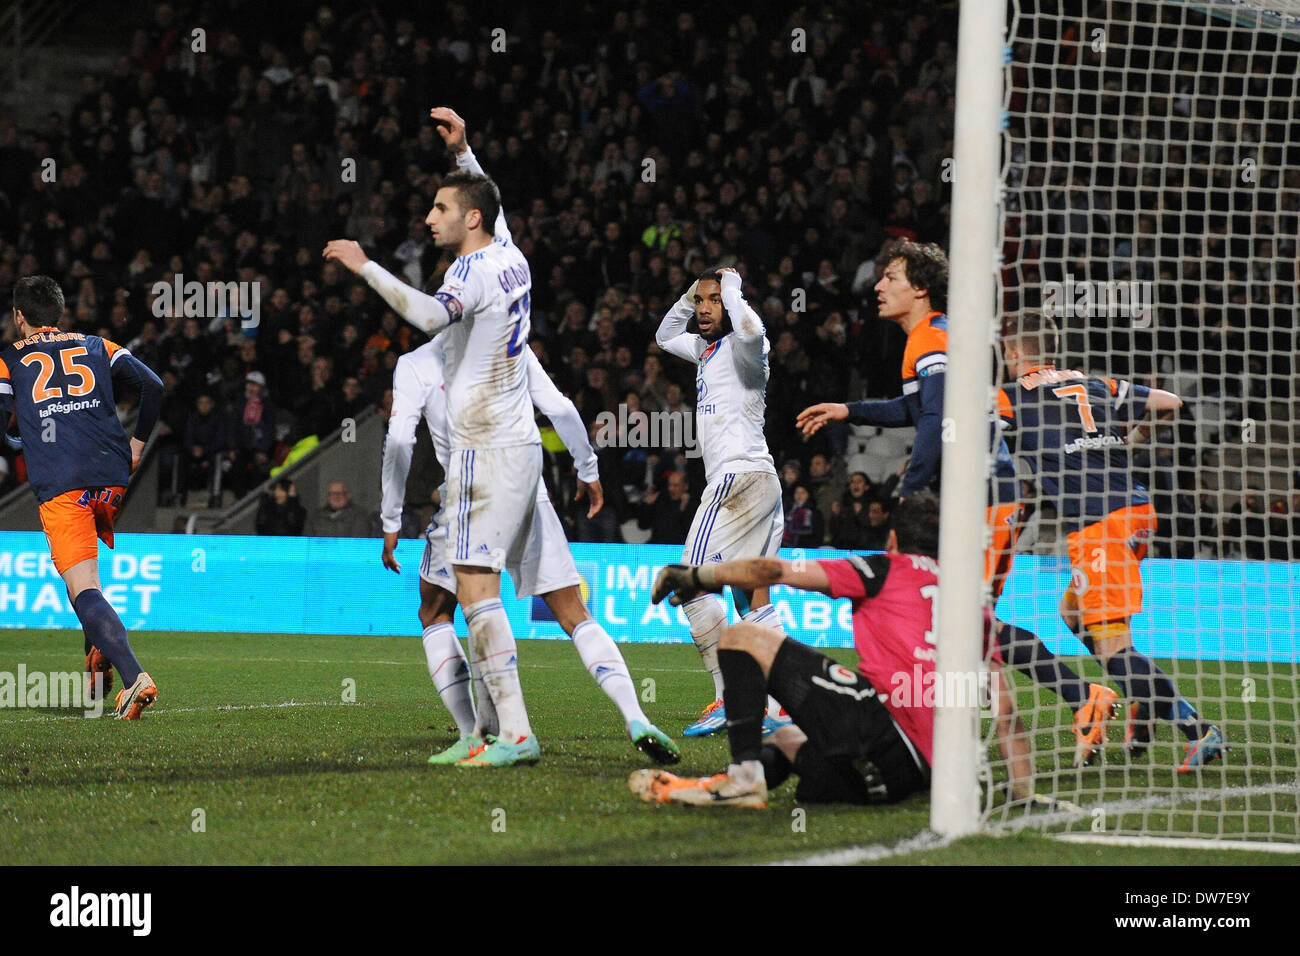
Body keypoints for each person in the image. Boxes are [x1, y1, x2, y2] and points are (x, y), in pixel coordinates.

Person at [798, 241, 1108, 765]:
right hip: (979, 498)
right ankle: (1066, 703)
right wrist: (848, 409)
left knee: (969, 622)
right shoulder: (931, 337)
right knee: (967, 621)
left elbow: (935, 421)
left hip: (988, 498)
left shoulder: (930, 338)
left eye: (890, 277)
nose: (878, 286)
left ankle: (1080, 701)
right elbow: (916, 408)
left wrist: (908, 492)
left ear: (919, 288)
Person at [324, 105, 541, 766]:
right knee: (474, 591)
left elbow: (424, 316)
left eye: (441, 208)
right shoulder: (510, 254)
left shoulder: (469, 274)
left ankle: (512, 734)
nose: (428, 219)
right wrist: (466, 152)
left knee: (468, 594)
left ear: (469, 219)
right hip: (518, 443)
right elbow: (492, 203)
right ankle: (496, 733)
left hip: (482, 449)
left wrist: (365, 267)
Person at [380, 332, 678, 765]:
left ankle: (477, 733)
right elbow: (559, 406)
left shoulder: (415, 363)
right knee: (573, 613)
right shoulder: (508, 344)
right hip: (527, 489)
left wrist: (391, 517)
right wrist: (587, 466)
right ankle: (635, 716)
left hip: (471, 495)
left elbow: (400, 441)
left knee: (439, 609)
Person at [629, 492, 1034, 808]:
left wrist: (698, 575)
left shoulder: (883, 568)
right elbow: (1006, 713)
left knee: (741, 637)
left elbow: (771, 571)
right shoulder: (973, 603)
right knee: (787, 738)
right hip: (911, 777)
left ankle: (743, 778)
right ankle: (722, 784)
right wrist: (1023, 792)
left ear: (893, 539)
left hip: (882, 733)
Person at [996, 312, 1222, 771]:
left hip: (1100, 525)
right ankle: (1145, 702)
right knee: (1072, 614)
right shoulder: (1097, 383)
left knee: (1114, 647)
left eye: (1006, 352)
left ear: (1016, 352)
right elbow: (1170, 403)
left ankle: (1197, 729)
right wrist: (1132, 442)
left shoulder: (1011, 397)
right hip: (1136, 511)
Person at [0, 275, 163, 719]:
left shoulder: (8, 358)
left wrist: (19, 440)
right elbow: (154, 387)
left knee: (82, 589)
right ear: (59, 313)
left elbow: (2, 429)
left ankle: (134, 678)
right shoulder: (97, 345)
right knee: (89, 578)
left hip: (62, 483)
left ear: (19, 317)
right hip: (111, 477)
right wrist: (138, 444)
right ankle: (97, 662)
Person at [655, 265, 791, 738]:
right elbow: (663, 333)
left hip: (738, 479)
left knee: (690, 584)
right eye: (701, 302)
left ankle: (729, 697)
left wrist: (732, 285)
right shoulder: (706, 350)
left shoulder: (747, 349)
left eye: (714, 300)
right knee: (750, 597)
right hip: (760, 482)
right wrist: (689, 293)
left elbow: (751, 326)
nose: (706, 308)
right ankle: (782, 703)